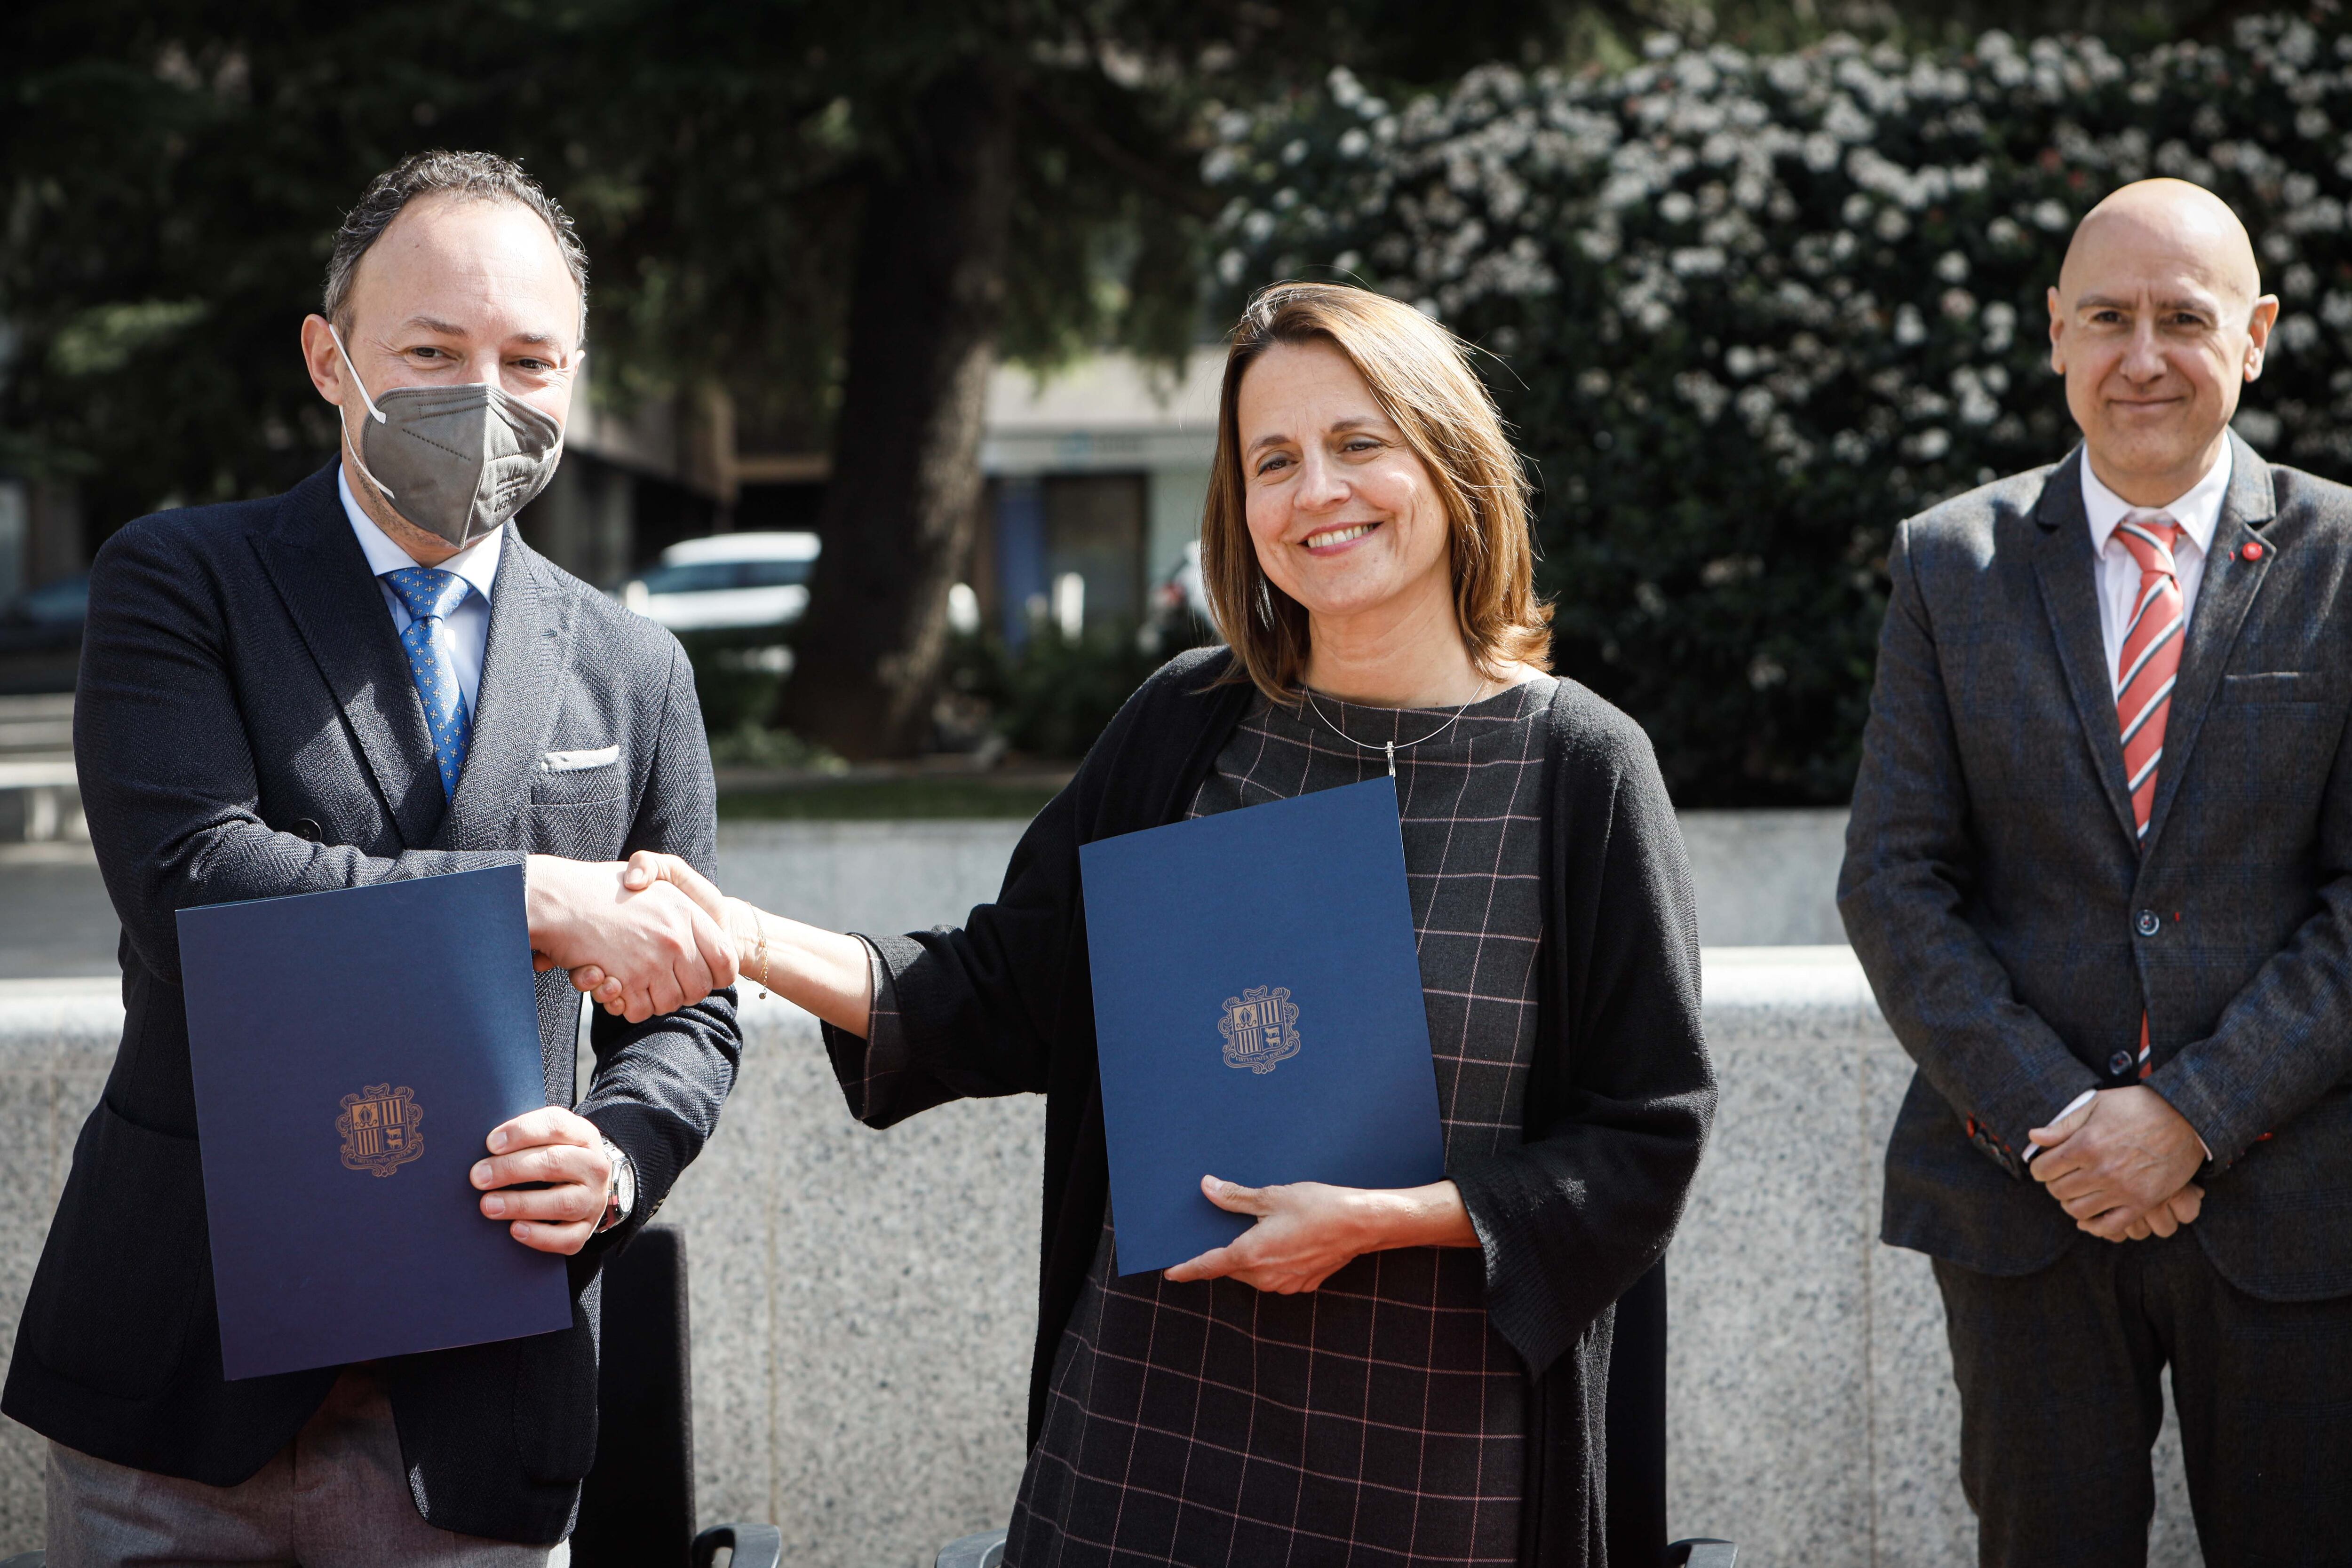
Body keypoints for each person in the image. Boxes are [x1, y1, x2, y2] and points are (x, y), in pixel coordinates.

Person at [581, 282, 1715, 1567]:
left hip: (1434, 1476)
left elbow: (1646, 1136)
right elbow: (1004, 992)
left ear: (1449, 462)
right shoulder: (1188, 728)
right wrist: (740, 936)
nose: (1316, 492)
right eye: (1271, 462)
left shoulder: (1583, 772)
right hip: (1144, 1453)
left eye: (1359, 444)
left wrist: (1393, 1219)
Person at [2, 151, 745, 1564]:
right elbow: (195, 890)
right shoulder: (180, 582)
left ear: (577, 376)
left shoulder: (634, 668)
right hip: (178, 1376)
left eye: (532, 359)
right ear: (328, 358)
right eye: (432, 349)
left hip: (479, 1403)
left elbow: (694, 1002)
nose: (487, 397)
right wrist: (535, 899)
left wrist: (620, 1156)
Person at [1840, 176, 2352, 1564]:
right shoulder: (1953, 565)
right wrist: (2064, 1127)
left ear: (2255, 337)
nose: (2142, 356)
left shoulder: (2345, 559)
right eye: (2108, 318)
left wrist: (2187, 1113)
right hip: (2022, 1208)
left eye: (2183, 319)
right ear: (2055, 334)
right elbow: (1893, 883)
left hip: (2299, 1205)